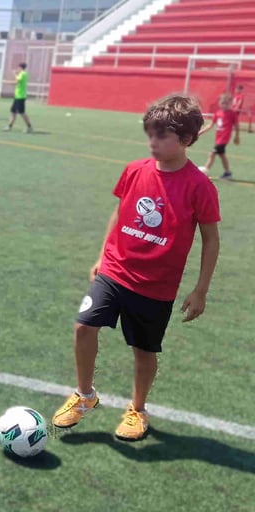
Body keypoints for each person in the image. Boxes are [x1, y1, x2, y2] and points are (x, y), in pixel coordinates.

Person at [51, 93, 220, 441]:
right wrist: (102, 255)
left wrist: (201, 289)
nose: (152, 143)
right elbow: (119, 211)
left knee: (144, 351)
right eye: (150, 134)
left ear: (186, 140)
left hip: (155, 285)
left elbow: (211, 239)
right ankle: (85, 396)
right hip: (115, 270)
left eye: (162, 136)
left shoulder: (199, 186)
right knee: (84, 326)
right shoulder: (134, 170)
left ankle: (137, 408)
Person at [198, 93, 239, 179]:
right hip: (218, 138)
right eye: (223, 103)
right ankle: (228, 173)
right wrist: (200, 132)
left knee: (212, 153)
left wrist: (236, 136)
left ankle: (204, 171)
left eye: (226, 103)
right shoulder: (218, 113)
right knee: (222, 155)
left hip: (224, 139)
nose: (224, 105)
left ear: (230, 104)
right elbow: (210, 125)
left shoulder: (232, 114)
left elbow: (237, 126)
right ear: (220, 103)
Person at [3, 62, 32, 133]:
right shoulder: (21, 74)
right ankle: (9, 126)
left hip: (20, 97)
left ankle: (29, 127)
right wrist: (16, 74)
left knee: (22, 113)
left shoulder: (23, 74)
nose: (17, 69)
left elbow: (16, 82)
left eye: (18, 68)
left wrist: (6, 82)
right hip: (17, 96)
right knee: (13, 112)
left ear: (20, 68)